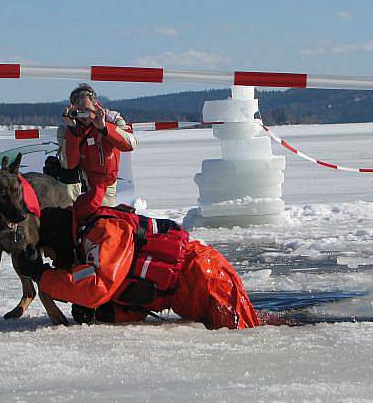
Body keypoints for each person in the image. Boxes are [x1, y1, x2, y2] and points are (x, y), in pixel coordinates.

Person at [21, 185, 286, 329]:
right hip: (187, 294)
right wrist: (106, 313)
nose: (54, 261)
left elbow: (97, 286)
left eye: (51, 253)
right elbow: (128, 295)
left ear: (57, 238)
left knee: (258, 330)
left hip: (206, 279)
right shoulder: (87, 247)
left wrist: (43, 276)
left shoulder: (103, 231)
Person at [56, 84, 136, 206]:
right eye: (79, 111)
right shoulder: (66, 129)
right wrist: (72, 131)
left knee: (102, 219)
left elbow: (130, 144)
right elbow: (69, 165)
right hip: (79, 183)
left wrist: (105, 128)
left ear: (95, 104)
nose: (83, 116)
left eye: (86, 110)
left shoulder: (111, 118)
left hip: (105, 184)